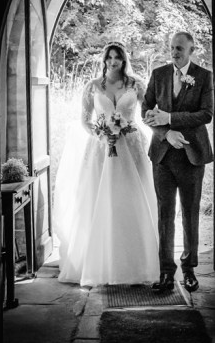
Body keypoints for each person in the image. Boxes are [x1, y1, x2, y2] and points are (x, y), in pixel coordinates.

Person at [54, 41, 160, 286]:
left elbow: (148, 113)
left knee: (131, 199)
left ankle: (138, 263)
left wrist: (134, 126)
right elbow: (84, 120)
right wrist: (101, 134)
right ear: (104, 60)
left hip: (131, 148)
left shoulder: (136, 85)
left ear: (124, 61)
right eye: (109, 57)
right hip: (101, 149)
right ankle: (99, 263)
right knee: (98, 201)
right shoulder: (92, 87)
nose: (113, 62)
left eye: (118, 58)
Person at [142, 31, 214, 293]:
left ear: (191, 50)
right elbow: (145, 111)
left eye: (180, 48)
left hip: (192, 156)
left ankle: (190, 270)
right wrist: (165, 133)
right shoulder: (159, 74)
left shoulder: (203, 76)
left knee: (190, 213)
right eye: (172, 48)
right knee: (165, 215)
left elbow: (206, 114)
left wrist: (171, 119)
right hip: (162, 155)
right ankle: (165, 272)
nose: (175, 52)